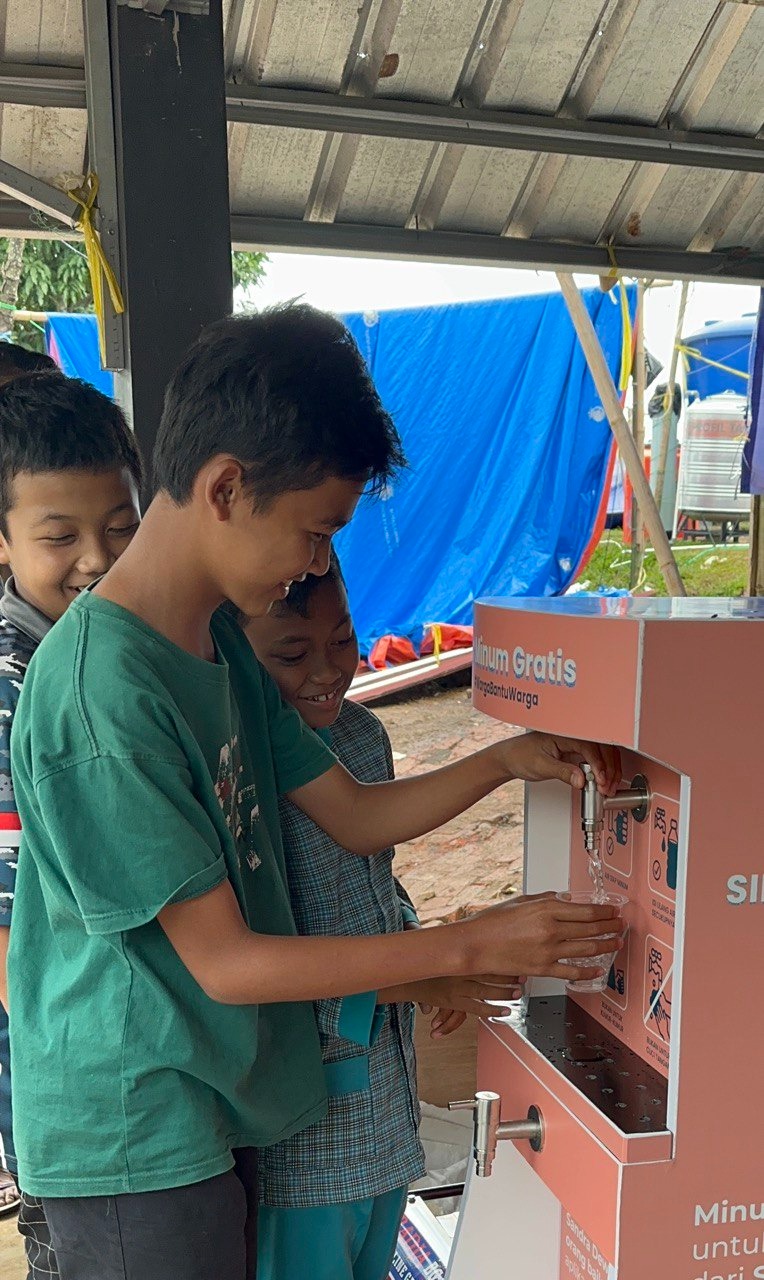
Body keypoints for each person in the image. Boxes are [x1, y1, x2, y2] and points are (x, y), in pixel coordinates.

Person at [8, 304, 623, 1280]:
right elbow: (226, 961)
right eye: (314, 531)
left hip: (211, 1091)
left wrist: (505, 761)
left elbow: (353, 811)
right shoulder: (103, 693)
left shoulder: (215, 638)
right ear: (225, 487)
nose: (314, 565)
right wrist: (464, 945)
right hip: (130, 1126)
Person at [245, 550, 514, 1280]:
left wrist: (415, 938)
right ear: (235, 653)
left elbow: (378, 881)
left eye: (343, 640)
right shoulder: (242, 770)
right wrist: (428, 974)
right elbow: (268, 964)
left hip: (390, 1099)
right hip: (306, 1131)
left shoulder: (363, 737)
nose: (327, 670)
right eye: (291, 654)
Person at [0, 369, 142, 1279]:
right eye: (60, 537)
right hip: (85, 1113)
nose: (97, 558)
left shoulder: (106, 655)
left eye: (121, 526)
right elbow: (6, 940)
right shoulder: (15, 691)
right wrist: (106, 1080)